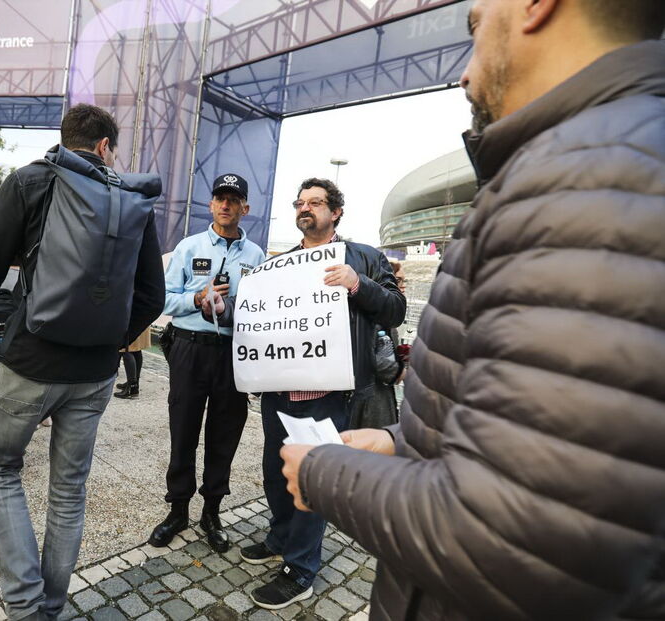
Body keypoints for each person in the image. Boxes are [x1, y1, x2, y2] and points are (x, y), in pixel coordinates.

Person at [280, 2, 665, 619]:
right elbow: (516, 430)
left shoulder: (583, 187)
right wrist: (402, 443)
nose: (464, 72)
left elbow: (521, 535)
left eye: (476, 26)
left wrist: (323, 472)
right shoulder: (596, 167)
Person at [0, 103, 164, 621]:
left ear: (67, 139)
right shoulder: (131, 198)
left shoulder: (28, 181)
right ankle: (52, 607)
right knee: (68, 490)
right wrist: (108, 343)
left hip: (28, 362)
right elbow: (153, 296)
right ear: (106, 146)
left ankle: (24, 608)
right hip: (95, 374)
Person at [204, 177, 405, 609]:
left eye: (316, 202)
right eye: (301, 202)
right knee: (277, 472)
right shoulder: (281, 264)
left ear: (336, 212)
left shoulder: (364, 258)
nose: (305, 208)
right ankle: (279, 537)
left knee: (315, 477)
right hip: (280, 391)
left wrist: (357, 283)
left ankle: (301, 568)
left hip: (330, 394)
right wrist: (224, 309)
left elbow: (395, 308)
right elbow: (258, 317)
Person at [148, 173, 266, 554]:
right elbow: (162, 299)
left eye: (234, 199)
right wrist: (196, 300)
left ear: (245, 208)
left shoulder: (257, 256)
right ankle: (178, 510)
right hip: (190, 347)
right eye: (220, 198)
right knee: (182, 430)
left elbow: (263, 307)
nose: (226, 204)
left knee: (225, 434)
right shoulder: (189, 246)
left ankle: (211, 512)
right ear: (211, 204)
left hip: (233, 353)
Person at [350, 259, 408, 429]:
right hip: (372, 405)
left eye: (404, 280)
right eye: (397, 280)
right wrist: (406, 373)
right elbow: (383, 365)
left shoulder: (367, 311)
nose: (403, 286)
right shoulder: (376, 316)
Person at [114, 327, 150, 399]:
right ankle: (134, 384)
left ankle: (132, 388)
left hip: (132, 321)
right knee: (136, 349)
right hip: (143, 320)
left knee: (127, 349)